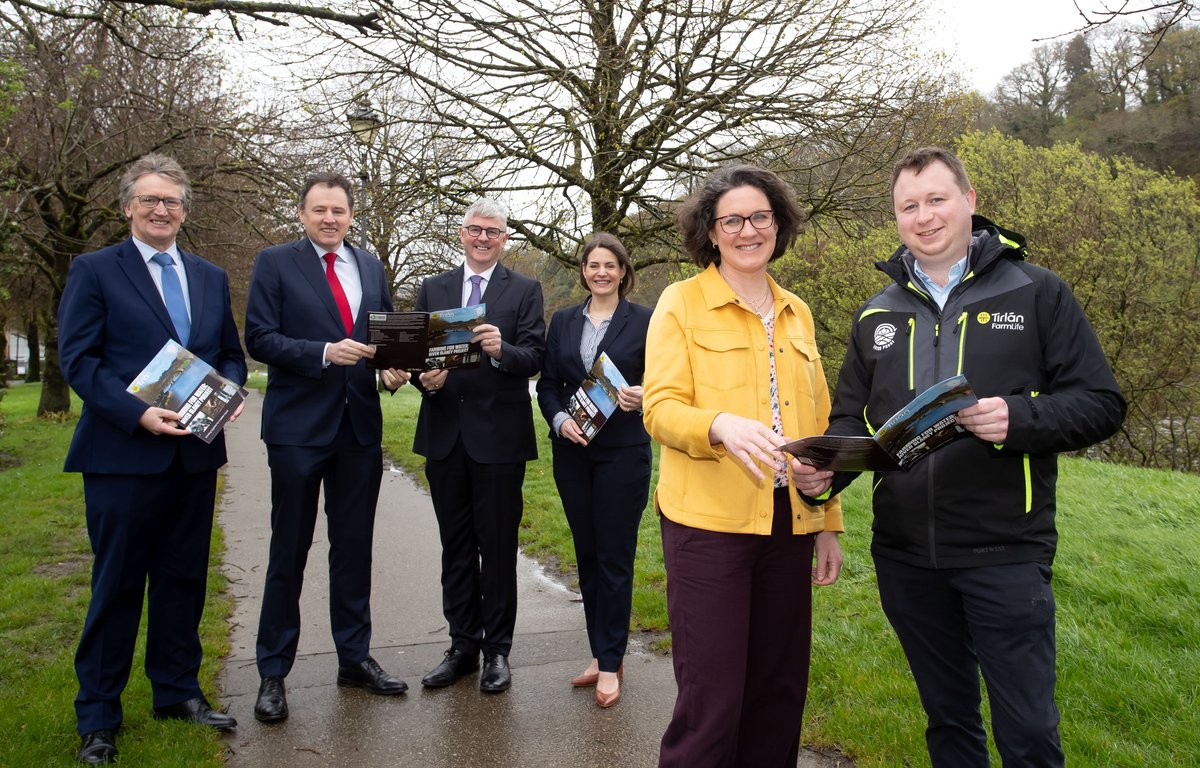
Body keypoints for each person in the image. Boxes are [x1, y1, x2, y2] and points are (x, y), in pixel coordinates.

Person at [795, 146, 1126, 767]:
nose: (924, 217)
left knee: (1027, 731)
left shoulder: (1037, 291)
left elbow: (1102, 403)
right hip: (906, 557)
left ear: (970, 203)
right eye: (909, 206)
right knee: (948, 723)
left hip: (1007, 550)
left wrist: (1018, 418)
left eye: (937, 200)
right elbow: (847, 419)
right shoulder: (877, 313)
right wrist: (822, 474)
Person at [641, 164, 844, 767]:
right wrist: (718, 425)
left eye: (761, 217)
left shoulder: (798, 312)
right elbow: (659, 409)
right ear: (710, 231)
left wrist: (828, 519)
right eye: (733, 220)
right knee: (714, 698)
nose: (748, 230)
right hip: (708, 529)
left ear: (779, 226)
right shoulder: (681, 303)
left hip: (788, 527)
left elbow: (821, 426)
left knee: (779, 693)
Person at [58, 153, 247, 764]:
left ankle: (176, 692)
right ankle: (99, 717)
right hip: (122, 456)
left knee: (183, 581)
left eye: (171, 201)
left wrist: (231, 394)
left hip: (192, 457)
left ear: (185, 210)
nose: (162, 209)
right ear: (128, 207)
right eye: (150, 200)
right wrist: (136, 413)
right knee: (116, 587)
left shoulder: (210, 276)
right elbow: (80, 360)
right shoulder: (94, 270)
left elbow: (228, 353)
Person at [244, 172, 411, 723]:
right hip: (297, 430)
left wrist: (392, 372)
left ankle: (354, 658)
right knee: (288, 550)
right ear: (302, 213)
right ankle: (273, 672)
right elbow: (259, 338)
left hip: (358, 429)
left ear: (350, 215)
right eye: (319, 210)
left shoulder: (369, 266)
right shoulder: (275, 262)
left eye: (338, 211)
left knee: (354, 548)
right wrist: (321, 353)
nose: (329, 219)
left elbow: (386, 339)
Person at [412, 198, 545, 693]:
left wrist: (499, 349)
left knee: (498, 547)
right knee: (456, 548)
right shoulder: (434, 288)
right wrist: (424, 379)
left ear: (504, 238)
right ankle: (462, 645)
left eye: (492, 231)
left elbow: (534, 356)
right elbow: (414, 360)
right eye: (474, 230)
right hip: (445, 437)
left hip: (500, 441)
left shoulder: (524, 290)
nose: (483, 238)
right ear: (462, 234)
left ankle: (497, 652)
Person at [536, 233, 652, 709]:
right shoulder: (564, 320)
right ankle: (602, 653)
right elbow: (546, 384)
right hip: (573, 453)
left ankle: (610, 664)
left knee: (613, 558)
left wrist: (645, 393)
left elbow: (670, 377)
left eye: (609, 265)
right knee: (587, 556)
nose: (600, 272)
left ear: (623, 270)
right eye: (592, 265)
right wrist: (560, 420)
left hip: (623, 453)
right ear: (583, 271)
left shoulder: (646, 320)